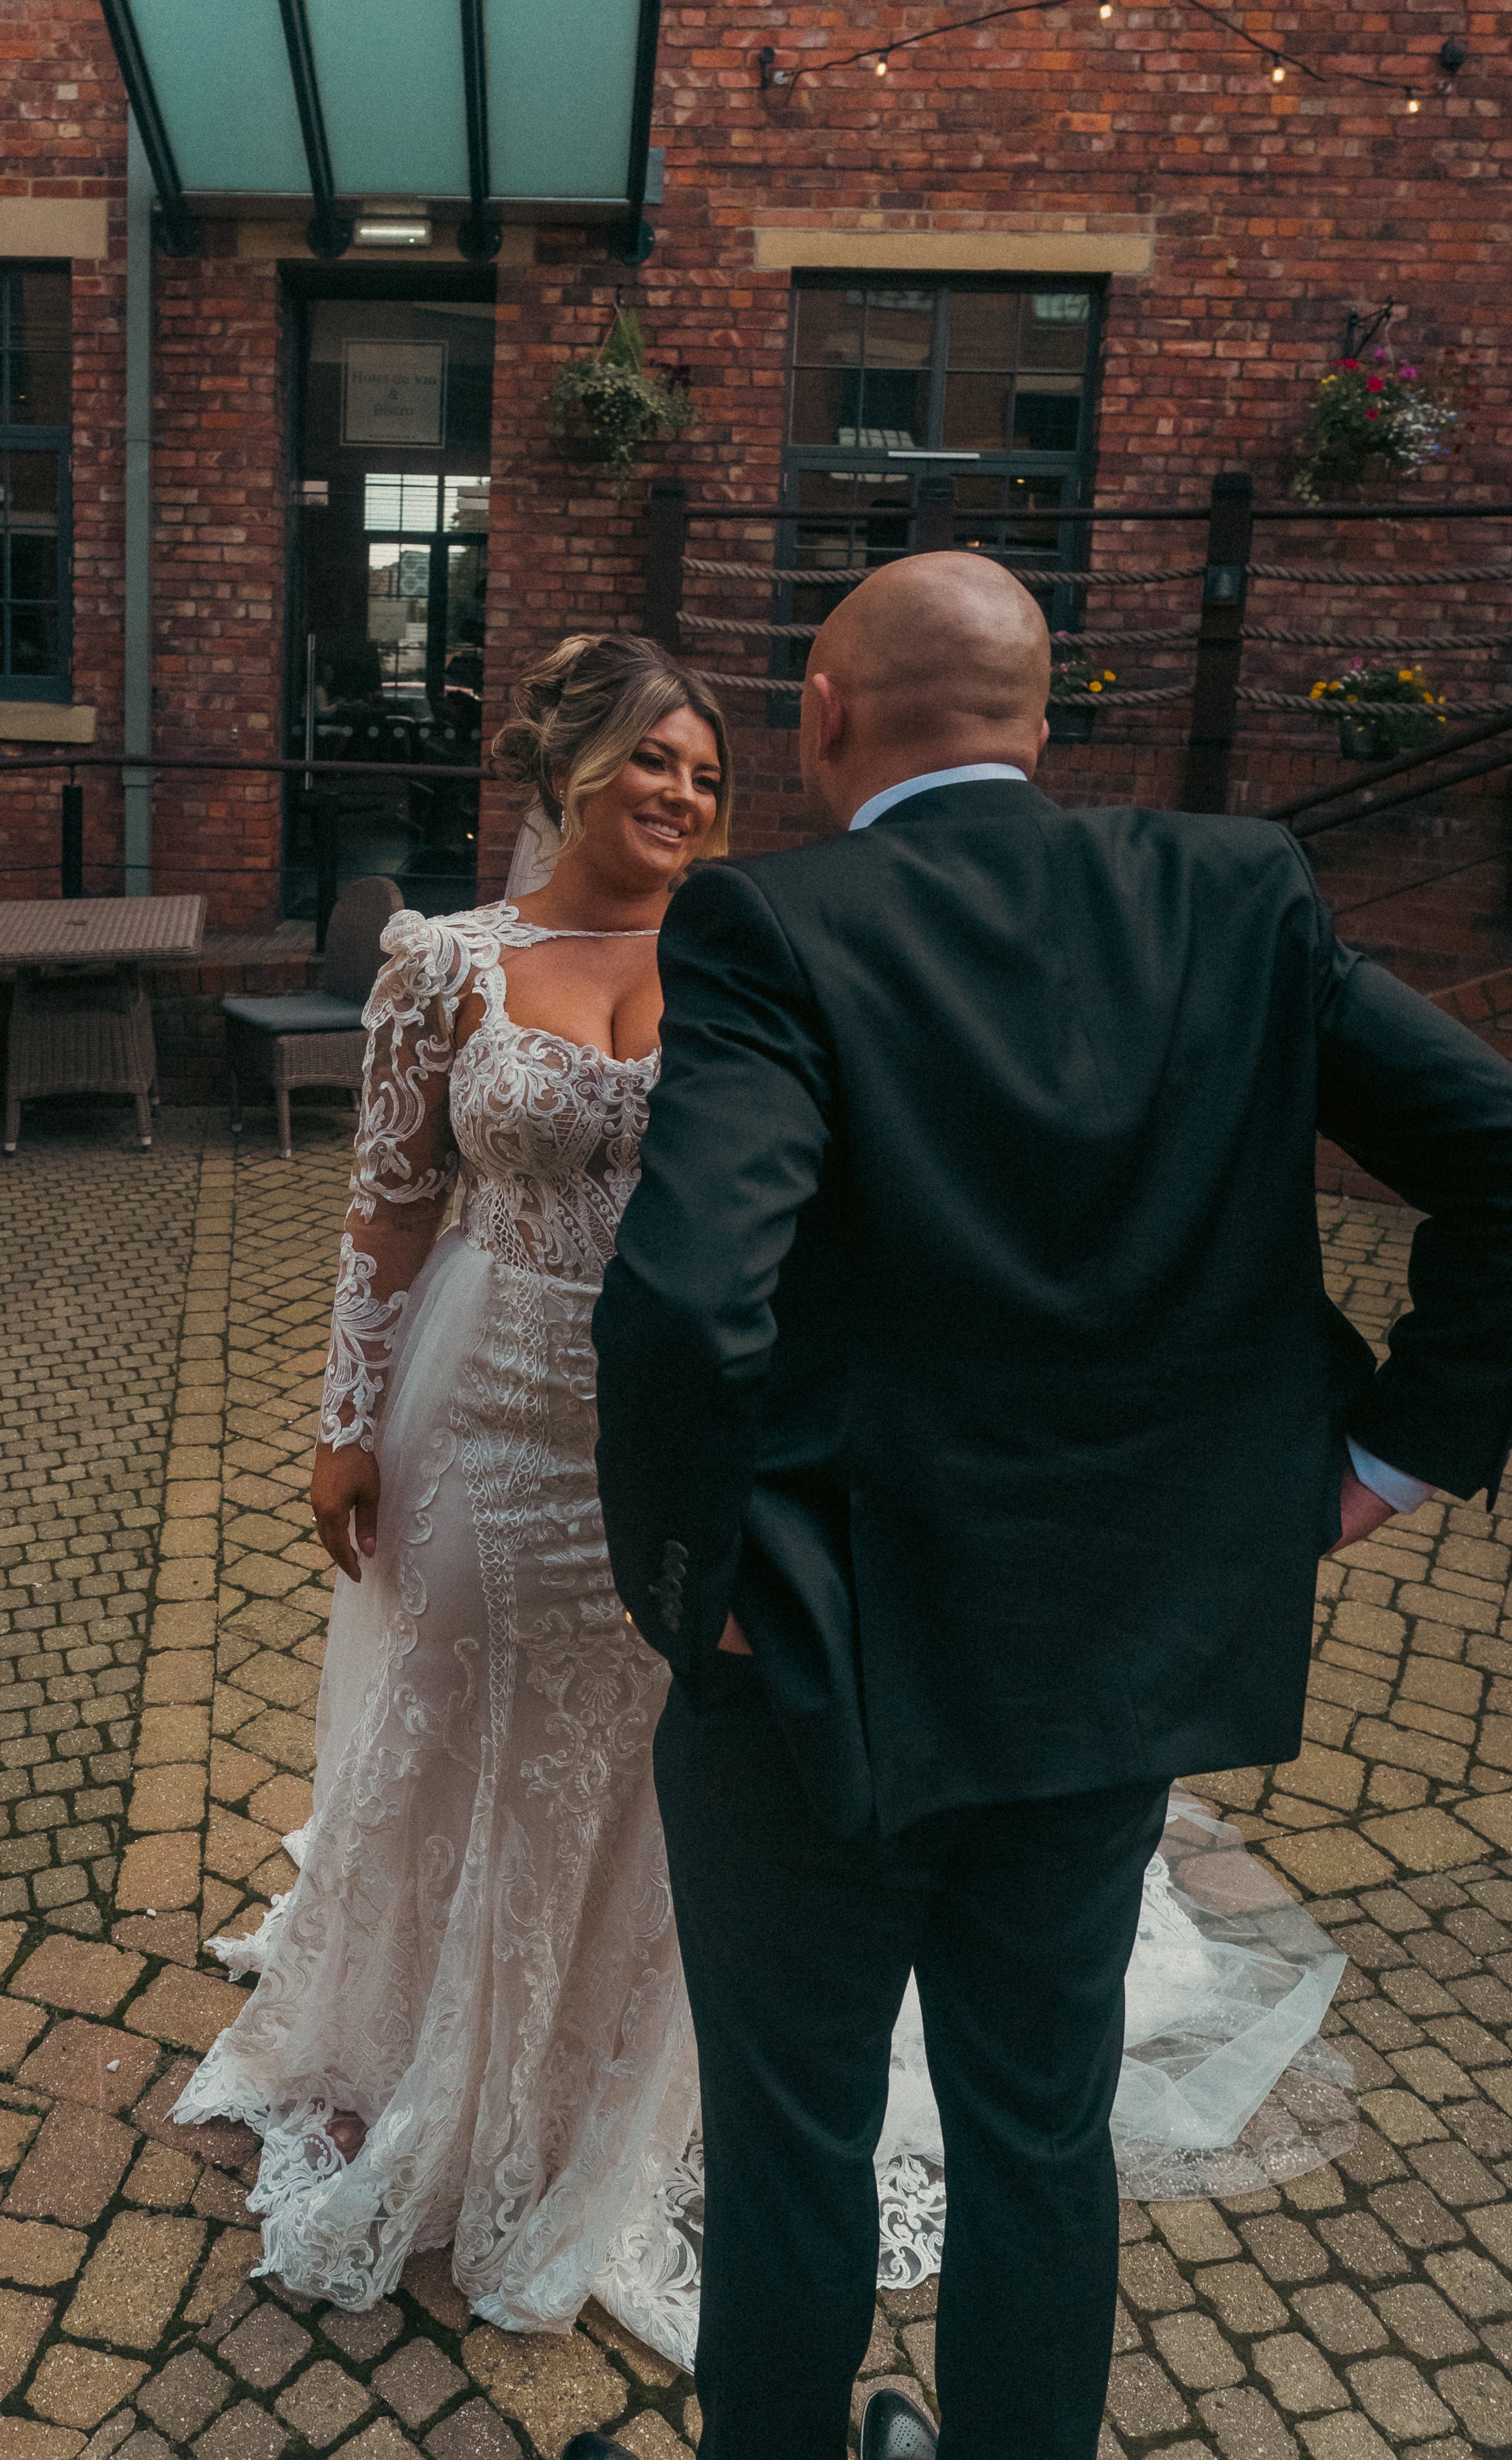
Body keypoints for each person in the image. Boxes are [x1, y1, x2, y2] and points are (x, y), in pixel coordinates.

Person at [590, 552, 1512, 2459]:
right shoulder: (1236, 890)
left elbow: (686, 1295)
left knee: (793, 2138)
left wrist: (695, 1591)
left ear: (826, 715)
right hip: (1109, 1656)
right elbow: (1497, 1149)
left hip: (813, 1666)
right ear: (1036, 714)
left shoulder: (767, 918)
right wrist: (1376, 1463)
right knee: (1033, 2128)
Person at [171, 634, 731, 2340]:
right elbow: (390, 1208)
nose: (684, 796)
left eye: (707, 776)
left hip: (673, 1431)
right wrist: (342, 1420)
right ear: (570, 767)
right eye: (656, 759)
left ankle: (589, 2063)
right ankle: (398, 2038)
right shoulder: (446, 966)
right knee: (455, 1712)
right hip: (484, 1403)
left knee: (634, 1750)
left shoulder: (749, 957)